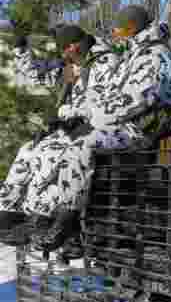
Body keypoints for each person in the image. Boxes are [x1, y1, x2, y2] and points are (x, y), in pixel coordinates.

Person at [0, 25, 121, 244]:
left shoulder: (105, 62)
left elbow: (105, 103)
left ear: (75, 46)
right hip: (69, 125)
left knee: (49, 154)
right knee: (27, 149)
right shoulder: (72, 62)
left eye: (66, 49)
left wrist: (74, 117)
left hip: (90, 126)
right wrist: (21, 49)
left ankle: (46, 219)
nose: (63, 55)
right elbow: (38, 75)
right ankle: (8, 210)